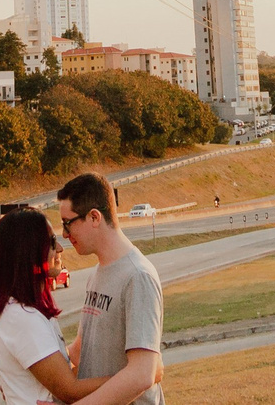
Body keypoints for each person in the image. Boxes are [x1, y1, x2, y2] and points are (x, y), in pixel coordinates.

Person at [55, 172, 164, 405]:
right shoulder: (97, 274)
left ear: (94, 217)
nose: (64, 234)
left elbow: (142, 374)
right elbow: (81, 351)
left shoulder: (138, 276)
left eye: (68, 223)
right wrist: (30, 372)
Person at [0, 207, 100, 405]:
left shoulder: (29, 310)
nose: (60, 249)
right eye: (52, 243)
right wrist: (135, 377)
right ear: (29, 253)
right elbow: (71, 390)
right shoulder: (22, 316)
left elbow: (63, 372)